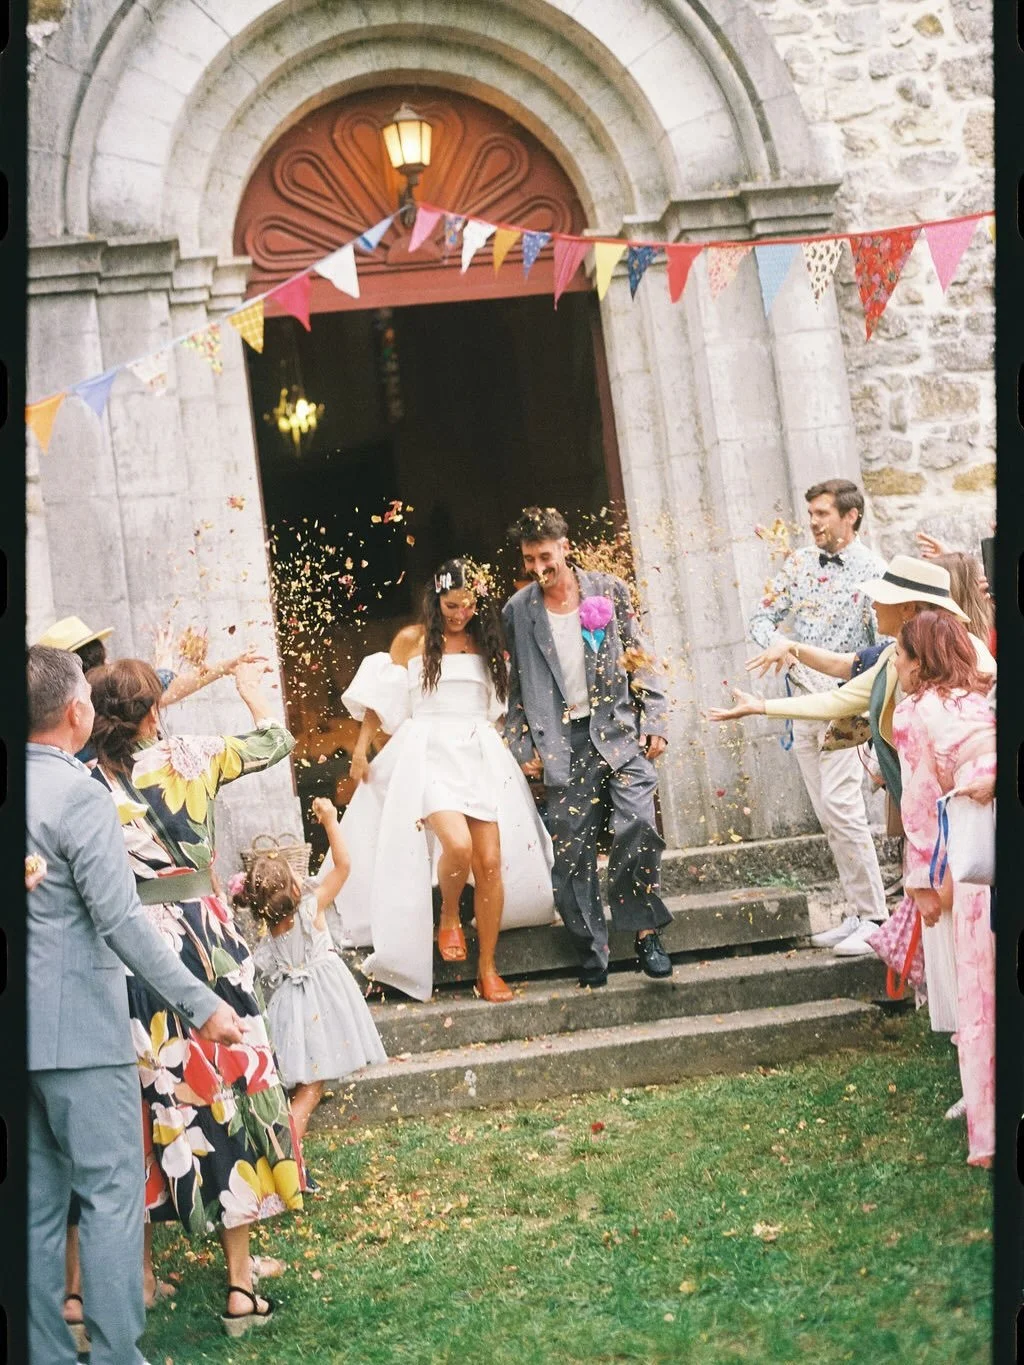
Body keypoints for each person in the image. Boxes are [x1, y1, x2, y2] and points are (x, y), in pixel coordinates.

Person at [26, 645, 244, 1365]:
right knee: (111, 1194)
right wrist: (202, 1003)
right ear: (74, 711)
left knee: (34, 1208)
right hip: (78, 1031)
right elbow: (119, 920)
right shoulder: (77, 792)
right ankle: (121, 1355)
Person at [87, 656, 303, 1338]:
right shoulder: (189, 756)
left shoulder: (85, 784)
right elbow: (276, 742)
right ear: (154, 714)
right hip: (207, 942)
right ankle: (241, 1285)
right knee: (229, 1097)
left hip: (133, 955)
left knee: (152, 1099)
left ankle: (144, 1276)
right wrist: (250, 694)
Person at [709, 555, 995, 1041]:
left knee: (969, 933)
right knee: (944, 935)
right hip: (926, 816)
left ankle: (983, 1045)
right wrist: (761, 706)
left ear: (906, 608)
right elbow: (841, 699)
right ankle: (964, 1044)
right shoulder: (893, 656)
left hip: (961, 816)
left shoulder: (966, 651)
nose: (871, 602)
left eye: (880, 596)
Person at [330, 557, 555, 1003]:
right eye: (451, 605)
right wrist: (359, 752)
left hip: (476, 751)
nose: (459, 614)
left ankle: (487, 968)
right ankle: (449, 914)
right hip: (427, 753)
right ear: (437, 599)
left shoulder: (485, 643)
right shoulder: (412, 642)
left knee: (490, 861)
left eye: (468, 605)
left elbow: (497, 708)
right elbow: (381, 700)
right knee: (458, 845)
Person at [502, 507, 672, 988]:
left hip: (616, 732)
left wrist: (655, 717)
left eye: (546, 557)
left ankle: (644, 934)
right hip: (561, 743)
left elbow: (641, 656)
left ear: (565, 547)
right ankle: (592, 951)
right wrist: (520, 744)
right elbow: (515, 688)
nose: (538, 568)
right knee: (572, 853)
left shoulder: (608, 592)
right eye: (530, 559)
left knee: (637, 820)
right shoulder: (519, 610)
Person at [745, 479, 888, 956]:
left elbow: (880, 646)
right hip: (801, 706)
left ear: (851, 516)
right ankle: (856, 911)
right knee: (829, 813)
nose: (813, 522)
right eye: (810, 514)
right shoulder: (799, 564)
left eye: (823, 513)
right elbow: (760, 619)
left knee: (845, 808)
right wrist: (777, 647)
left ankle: (876, 918)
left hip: (847, 707)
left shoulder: (873, 571)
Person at [891, 611, 995, 1166]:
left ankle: (992, 1132)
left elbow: (920, 804)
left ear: (920, 659)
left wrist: (925, 883)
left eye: (901, 655)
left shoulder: (915, 713)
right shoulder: (987, 696)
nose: (897, 665)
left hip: (978, 856)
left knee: (983, 989)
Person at [240, 797, 386, 1142]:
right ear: (294, 889)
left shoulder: (266, 943)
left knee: (304, 1087)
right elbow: (344, 865)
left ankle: (287, 1155)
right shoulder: (310, 909)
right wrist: (331, 821)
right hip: (322, 1006)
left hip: (291, 1012)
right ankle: (290, 1162)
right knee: (310, 1090)